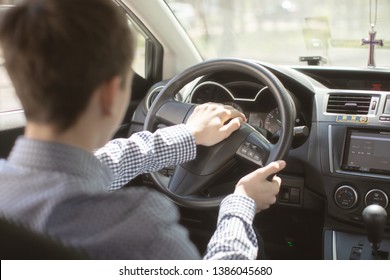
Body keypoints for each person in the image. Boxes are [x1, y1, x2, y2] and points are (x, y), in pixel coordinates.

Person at [0, 0, 285, 259]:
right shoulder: (137, 228)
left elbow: (99, 165)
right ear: (111, 94)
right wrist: (241, 204)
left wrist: (190, 134)